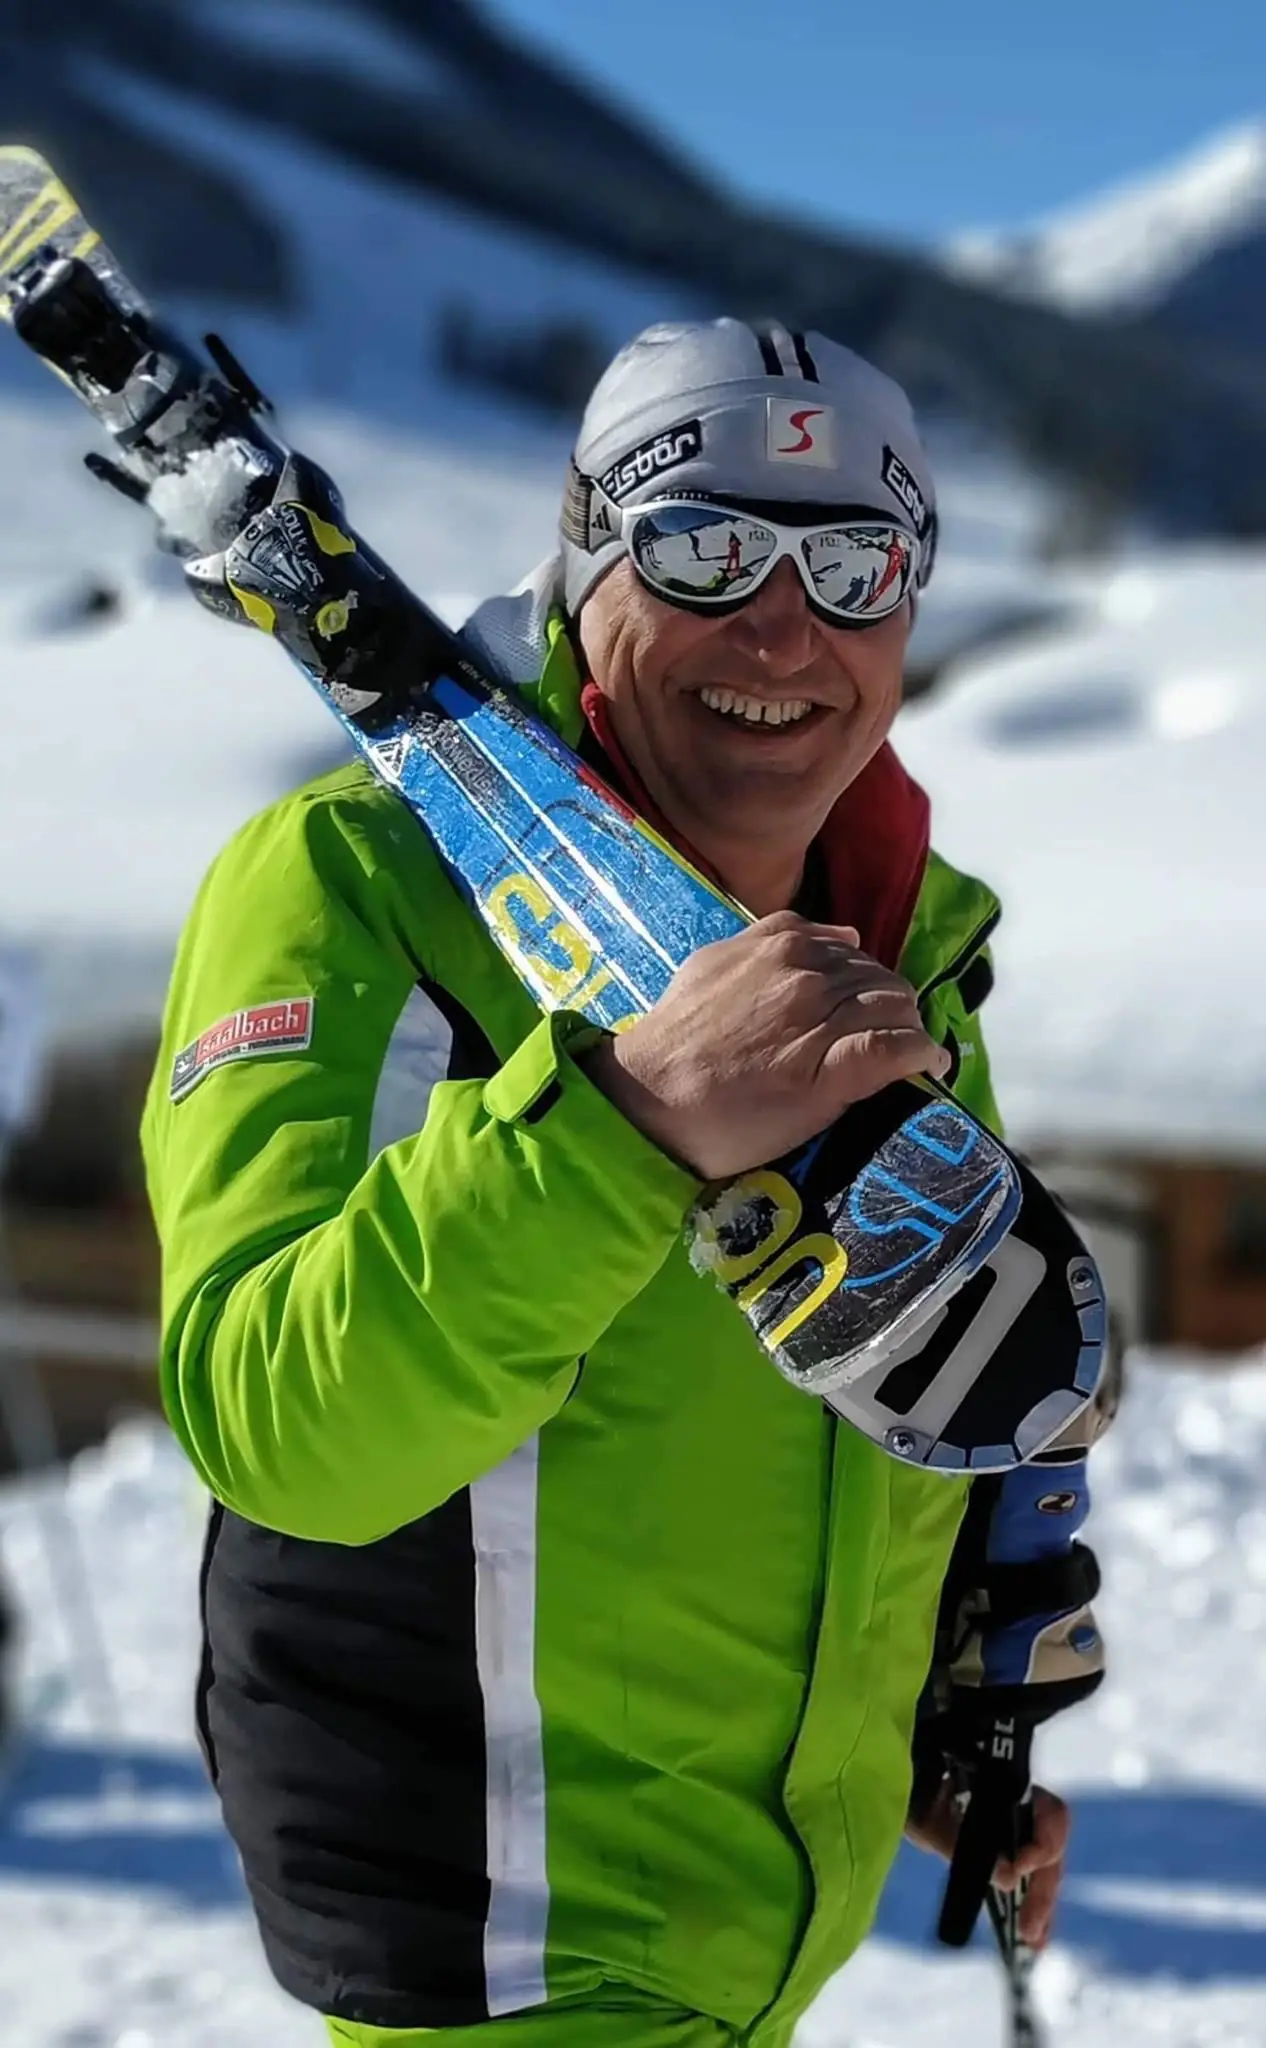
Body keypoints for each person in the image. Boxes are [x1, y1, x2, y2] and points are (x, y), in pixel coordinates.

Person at [142, 320, 1092, 2048]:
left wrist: (924, 1708)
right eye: (703, 549)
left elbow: (867, 1338)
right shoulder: (358, 884)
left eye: (853, 569)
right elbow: (280, 1429)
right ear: (584, 563)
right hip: (506, 1950)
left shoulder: (900, 938)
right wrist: (627, 1120)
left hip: (746, 1941)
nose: (783, 631)